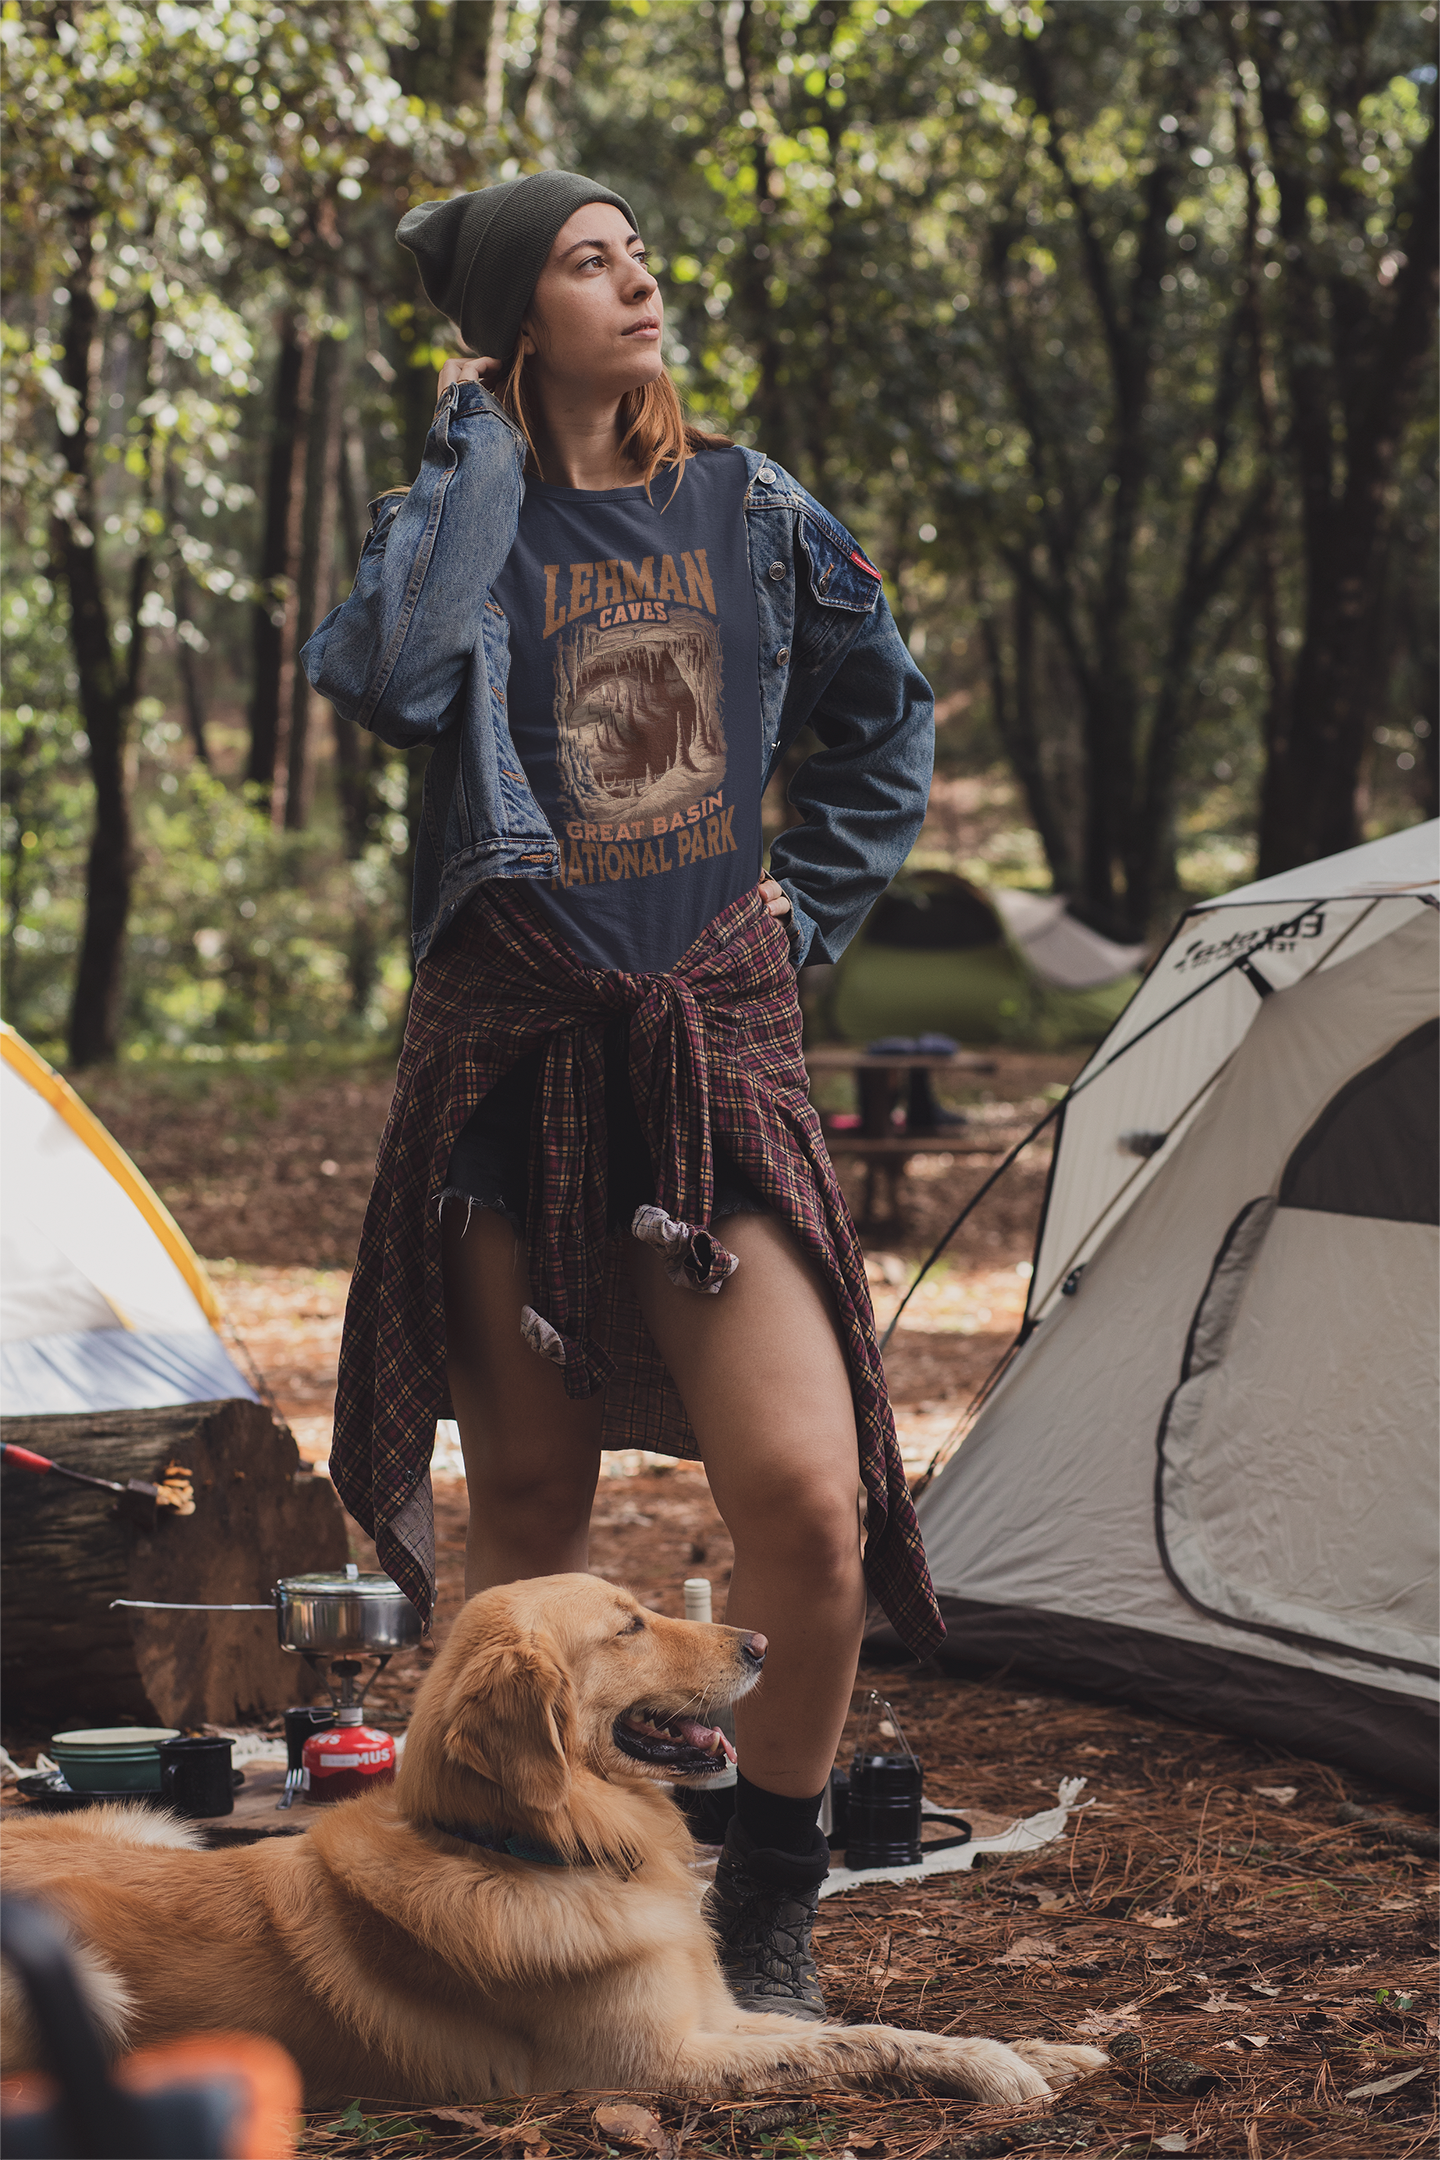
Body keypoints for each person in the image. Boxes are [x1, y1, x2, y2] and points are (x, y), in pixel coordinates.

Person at [302, 169, 942, 2019]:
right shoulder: (447, 527)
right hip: (517, 1048)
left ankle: (767, 1899)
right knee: (524, 1505)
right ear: (518, 320)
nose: (639, 278)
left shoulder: (748, 506)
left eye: (638, 251)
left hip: (710, 1040)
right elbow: (400, 679)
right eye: (590, 263)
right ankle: (528, 1902)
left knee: (810, 1514)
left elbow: (879, 710)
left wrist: (805, 901)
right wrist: (482, 448)